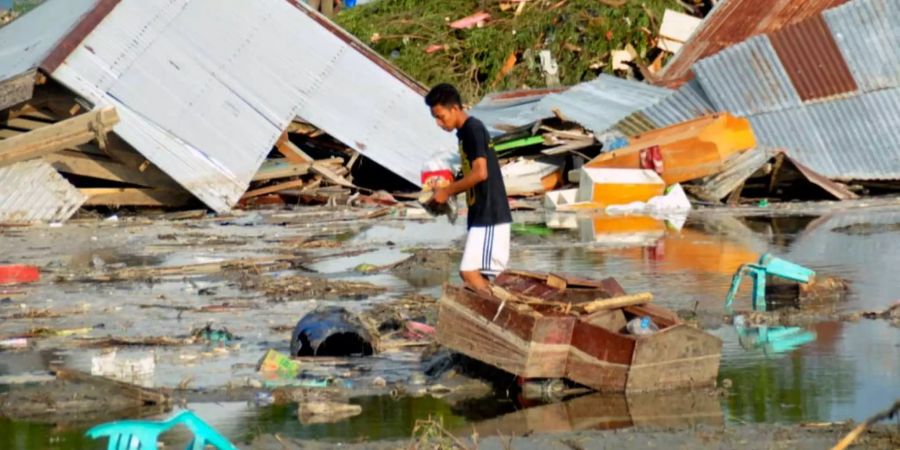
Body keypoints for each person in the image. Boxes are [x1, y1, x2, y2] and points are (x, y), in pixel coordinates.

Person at [425, 83, 512, 293]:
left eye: (441, 116)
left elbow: (481, 173)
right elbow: (471, 172)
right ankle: (495, 316)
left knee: (470, 272)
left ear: (455, 108)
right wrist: (447, 185)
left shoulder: (473, 129)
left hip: (491, 213)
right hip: (480, 214)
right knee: (476, 275)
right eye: (435, 118)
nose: (439, 123)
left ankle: (498, 318)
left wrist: (447, 191)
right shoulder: (464, 134)